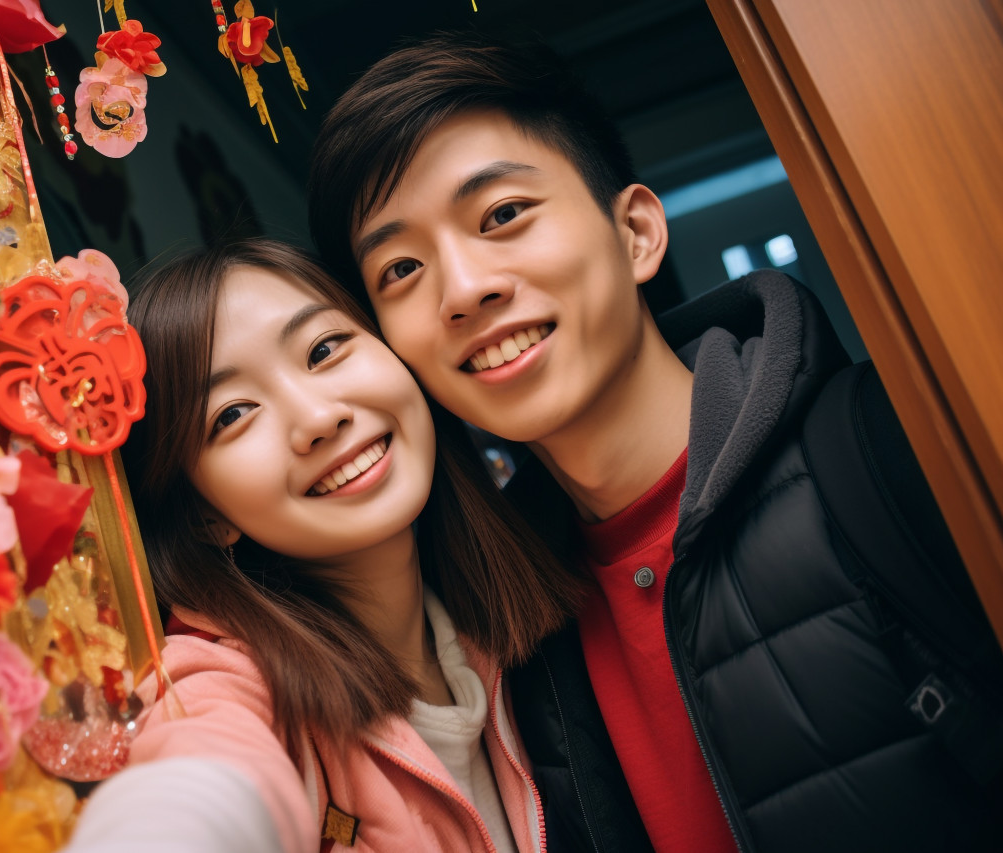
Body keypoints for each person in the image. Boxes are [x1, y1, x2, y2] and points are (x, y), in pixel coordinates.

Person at [306, 34, 1003, 853]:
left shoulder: (891, 450)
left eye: (502, 215)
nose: (463, 289)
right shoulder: (500, 636)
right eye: (400, 270)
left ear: (635, 231)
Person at [63, 240, 586, 853]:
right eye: (232, 414)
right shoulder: (223, 690)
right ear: (206, 517)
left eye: (323, 349)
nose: (318, 418)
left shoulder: (521, 629)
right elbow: (197, 791)